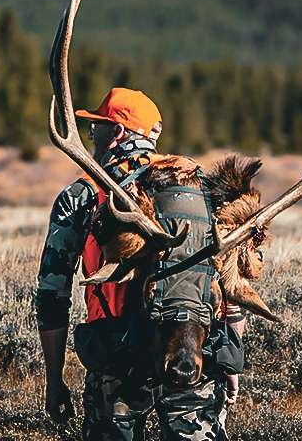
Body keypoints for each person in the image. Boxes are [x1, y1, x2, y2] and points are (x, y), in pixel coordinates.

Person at [34, 87, 238, 440]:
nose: (91, 133)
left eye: (97, 125)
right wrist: (232, 363)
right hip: (196, 356)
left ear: (118, 132)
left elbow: (53, 295)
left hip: (117, 363)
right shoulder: (200, 191)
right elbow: (231, 279)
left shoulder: (83, 195)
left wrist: (54, 381)